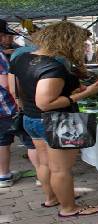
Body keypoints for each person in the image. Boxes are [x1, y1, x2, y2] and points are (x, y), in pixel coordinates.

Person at [10, 21, 98, 217]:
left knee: (45, 164)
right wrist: (87, 93)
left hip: (31, 118)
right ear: (67, 41)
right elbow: (45, 102)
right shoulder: (53, 67)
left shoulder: (23, 58)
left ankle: (52, 198)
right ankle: (69, 208)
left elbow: (18, 90)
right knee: (61, 169)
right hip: (55, 121)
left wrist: (68, 90)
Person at [0, 19, 38, 188]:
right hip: (9, 107)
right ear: (1, 36)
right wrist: (20, 101)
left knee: (2, 142)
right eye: (8, 36)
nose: (11, 40)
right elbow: (6, 84)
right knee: (32, 141)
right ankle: (42, 175)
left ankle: (4, 176)